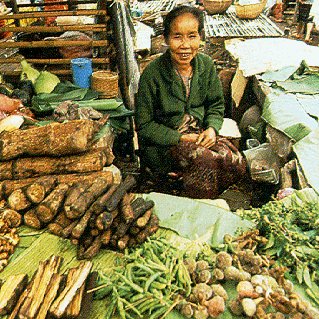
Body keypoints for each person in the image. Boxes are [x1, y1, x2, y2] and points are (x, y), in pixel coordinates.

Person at [135, 5, 245, 198]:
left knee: (235, 160)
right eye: (177, 37)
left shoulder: (206, 66)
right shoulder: (152, 74)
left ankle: (193, 188)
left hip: (198, 135)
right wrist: (181, 138)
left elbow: (215, 105)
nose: (185, 45)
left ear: (200, 37)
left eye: (192, 36)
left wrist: (212, 128)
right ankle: (196, 204)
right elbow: (145, 126)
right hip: (164, 144)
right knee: (206, 162)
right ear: (166, 39)